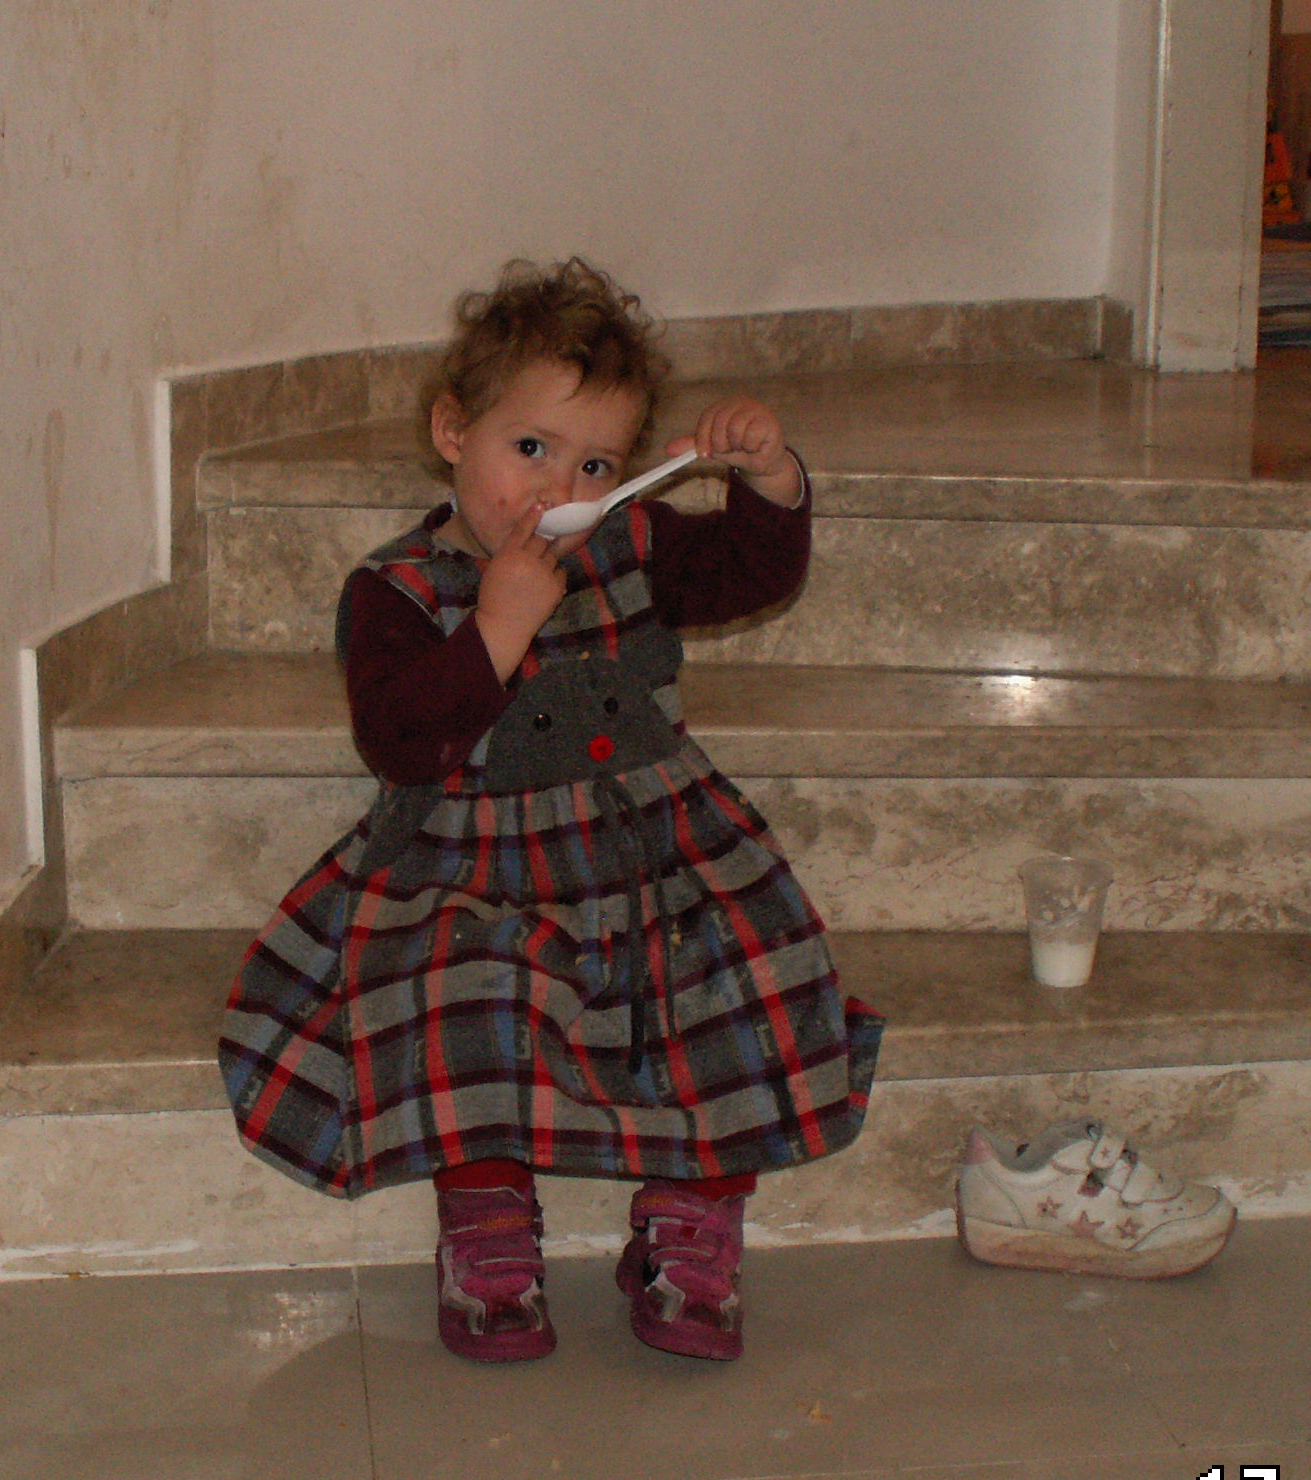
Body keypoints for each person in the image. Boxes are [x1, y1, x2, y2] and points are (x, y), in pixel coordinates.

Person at [218, 257, 883, 1363]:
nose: (554, 487)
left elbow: (752, 573)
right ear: (452, 432)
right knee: (469, 990)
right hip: (474, 859)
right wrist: (497, 626)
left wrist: (770, 479)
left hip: (655, 848)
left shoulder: (632, 546)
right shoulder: (395, 590)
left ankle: (692, 1217)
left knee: (733, 983)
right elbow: (398, 741)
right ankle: (485, 1216)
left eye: (593, 464)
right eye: (529, 448)